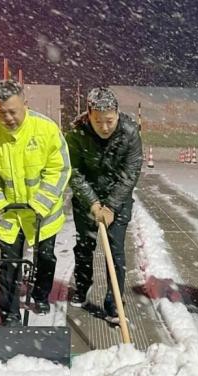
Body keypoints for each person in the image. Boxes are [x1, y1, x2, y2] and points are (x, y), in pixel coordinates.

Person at [0, 80, 71, 326]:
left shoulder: (46, 129)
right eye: (2, 112)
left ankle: (41, 294)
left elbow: (60, 169)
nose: (8, 117)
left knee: (46, 258)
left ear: (26, 104)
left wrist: (40, 203)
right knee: (9, 263)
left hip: (42, 213)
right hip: (8, 213)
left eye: (13, 111)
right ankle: (10, 314)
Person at [65, 87, 143, 322]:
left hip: (118, 200)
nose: (105, 126)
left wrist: (109, 206)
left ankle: (114, 303)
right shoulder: (77, 134)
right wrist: (93, 203)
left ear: (117, 114)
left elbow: (130, 174)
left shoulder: (130, 133)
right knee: (85, 246)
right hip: (86, 199)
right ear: (89, 115)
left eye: (109, 120)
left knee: (116, 252)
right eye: (98, 121)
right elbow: (74, 172)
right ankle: (82, 286)